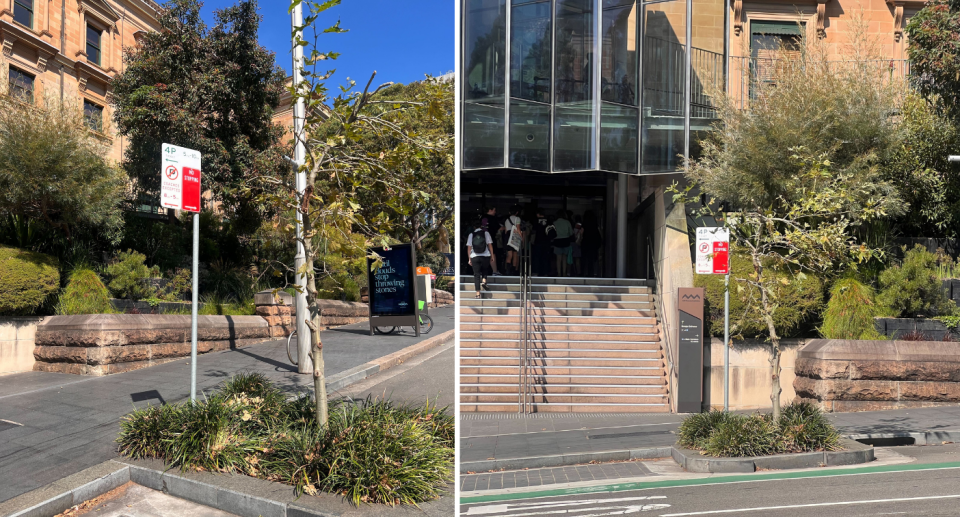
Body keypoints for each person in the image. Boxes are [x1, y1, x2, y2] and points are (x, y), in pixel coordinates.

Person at [467, 216, 494, 298]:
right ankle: (484, 280)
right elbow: (490, 245)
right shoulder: (486, 233)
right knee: (485, 268)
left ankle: (477, 293)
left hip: (474, 256)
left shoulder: (471, 235)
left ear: (473, 227)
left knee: (476, 275)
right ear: (481, 226)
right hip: (485, 255)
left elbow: (469, 248)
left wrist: (469, 258)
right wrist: (492, 255)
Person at [480, 206, 502, 276]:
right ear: (490, 210)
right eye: (494, 210)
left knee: (481, 254)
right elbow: (499, 228)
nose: (495, 212)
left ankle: (480, 270)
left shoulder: (482, 218)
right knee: (492, 254)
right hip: (490, 238)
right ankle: (494, 271)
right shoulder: (492, 218)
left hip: (481, 238)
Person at [581, 210, 602, 277]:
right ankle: (591, 273)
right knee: (591, 260)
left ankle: (583, 273)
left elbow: (581, 233)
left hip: (585, 243)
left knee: (584, 259)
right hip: (593, 244)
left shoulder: (584, 224)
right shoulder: (595, 224)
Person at [552, 210, 574, 277]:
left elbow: (552, 233)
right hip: (566, 240)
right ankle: (564, 273)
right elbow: (571, 233)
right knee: (565, 258)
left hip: (557, 241)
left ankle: (559, 273)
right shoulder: (567, 222)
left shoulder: (554, 223)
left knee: (558, 259)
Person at [503, 205, 523, 275]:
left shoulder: (506, 220)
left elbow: (505, 230)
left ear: (509, 212)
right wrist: (521, 238)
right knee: (515, 254)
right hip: (515, 237)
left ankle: (507, 270)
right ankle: (514, 271)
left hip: (508, 236)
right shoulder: (517, 219)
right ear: (517, 212)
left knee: (509, 254)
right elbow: (518, 229)